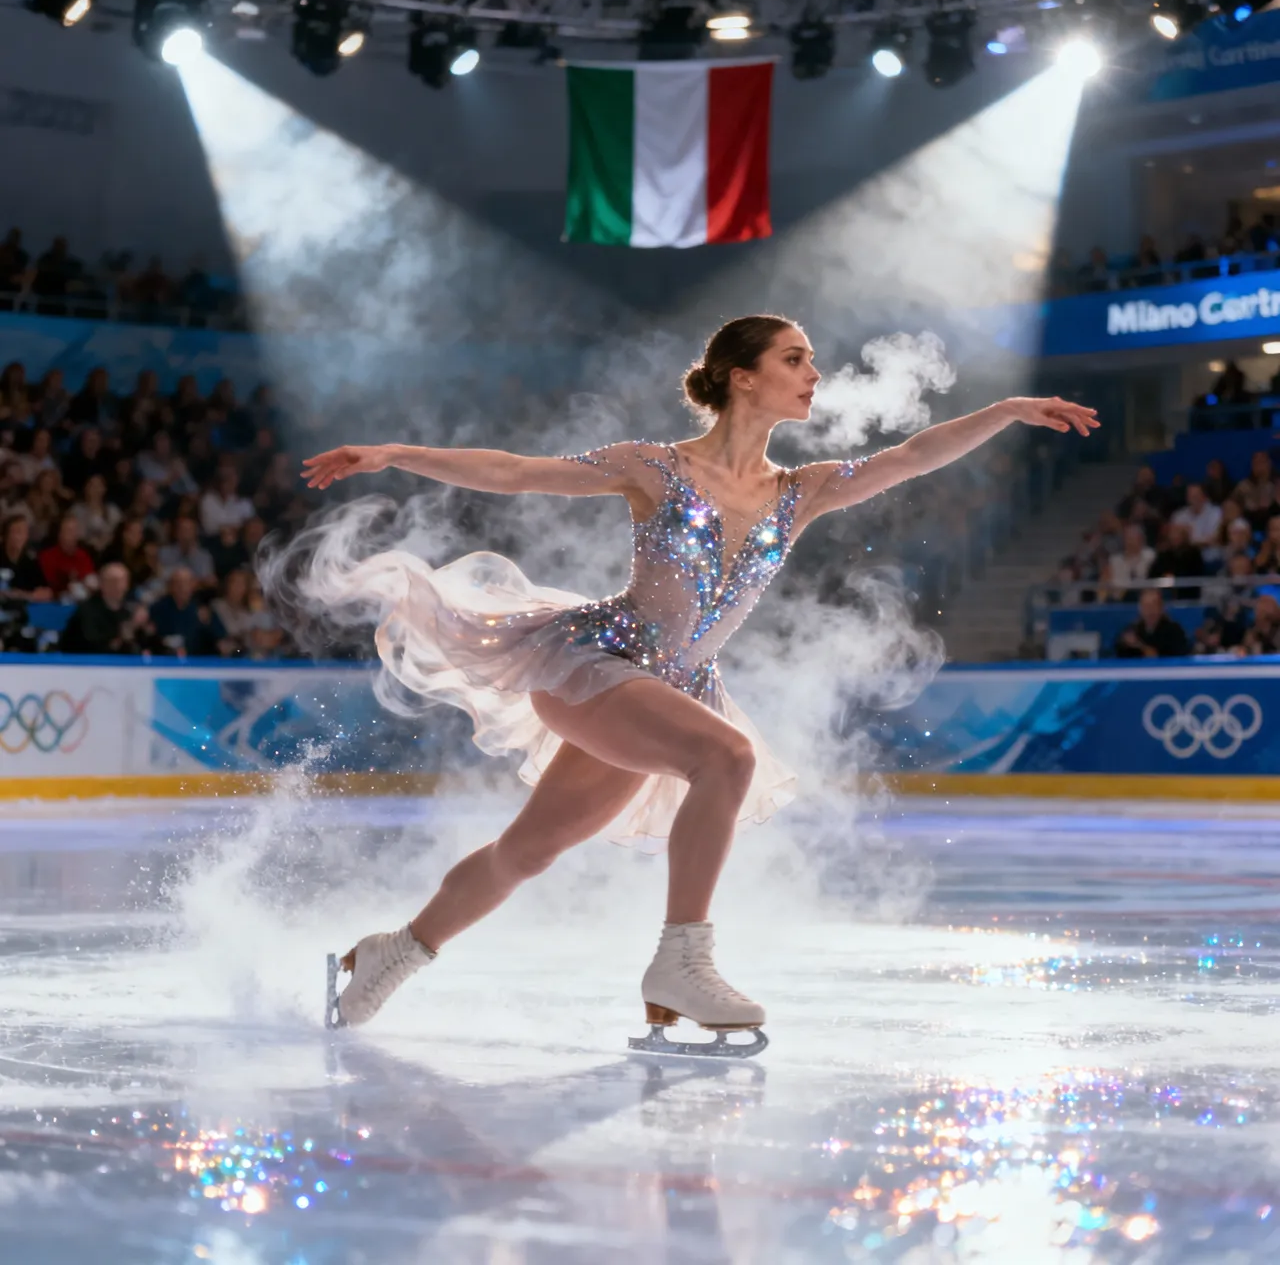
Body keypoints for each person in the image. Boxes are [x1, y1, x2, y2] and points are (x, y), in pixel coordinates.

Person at [295, 314, 1099, 1038]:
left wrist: (1006, 413)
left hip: (667, 693)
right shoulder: (653, 467)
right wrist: (395, 453)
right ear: (742, 377)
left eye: (813, 360)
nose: (814, 373)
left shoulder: (800, 492)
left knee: (526, 853)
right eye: (796, 359)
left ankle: (392, 954)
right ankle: (682, 959)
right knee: (727, 758)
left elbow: (912, 457)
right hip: (594, 664)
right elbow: (515, 471)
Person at [59, 562, 150, 654]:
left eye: (124, 581)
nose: (120, 586)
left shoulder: (128, 611)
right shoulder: (87, 611)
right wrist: (123, 634)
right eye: (114, 581)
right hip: (85, 663)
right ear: (102, 584)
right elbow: (92, 645)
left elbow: (141, 645)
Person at [1115, 588, 1189, 659]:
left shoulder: (1174, 631)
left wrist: (1140, 646)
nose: (1150, 610)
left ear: (1161, 607)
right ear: (1140, 608)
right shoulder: (1133, 630)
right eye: (1146, 606)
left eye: (1154, 605)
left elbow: (1178, 657)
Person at [38, 512, 95, 597]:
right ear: (59, 534)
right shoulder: (47, 556)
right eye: (69, 531)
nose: (74, 535)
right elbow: (49, 586)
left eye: (76, 530)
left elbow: (90, 580)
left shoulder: (83, 555)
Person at [0, 513, 50, 601]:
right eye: (18, 532)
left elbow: (47, 592)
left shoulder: (30, 561)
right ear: (6, 536)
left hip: (24, 608)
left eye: (25, 532)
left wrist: (22, 595)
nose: (22, 536)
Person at [1171, 483, 1222, 548]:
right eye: (1190, 497)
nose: (1192, 500)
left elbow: (1215, 538)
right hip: (1185, 551)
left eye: (1196, 496)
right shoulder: (1179, 515)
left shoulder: (1216, 513)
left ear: (1204, 497)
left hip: (1208, 550)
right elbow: (1174, 538)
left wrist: (1189, 539)